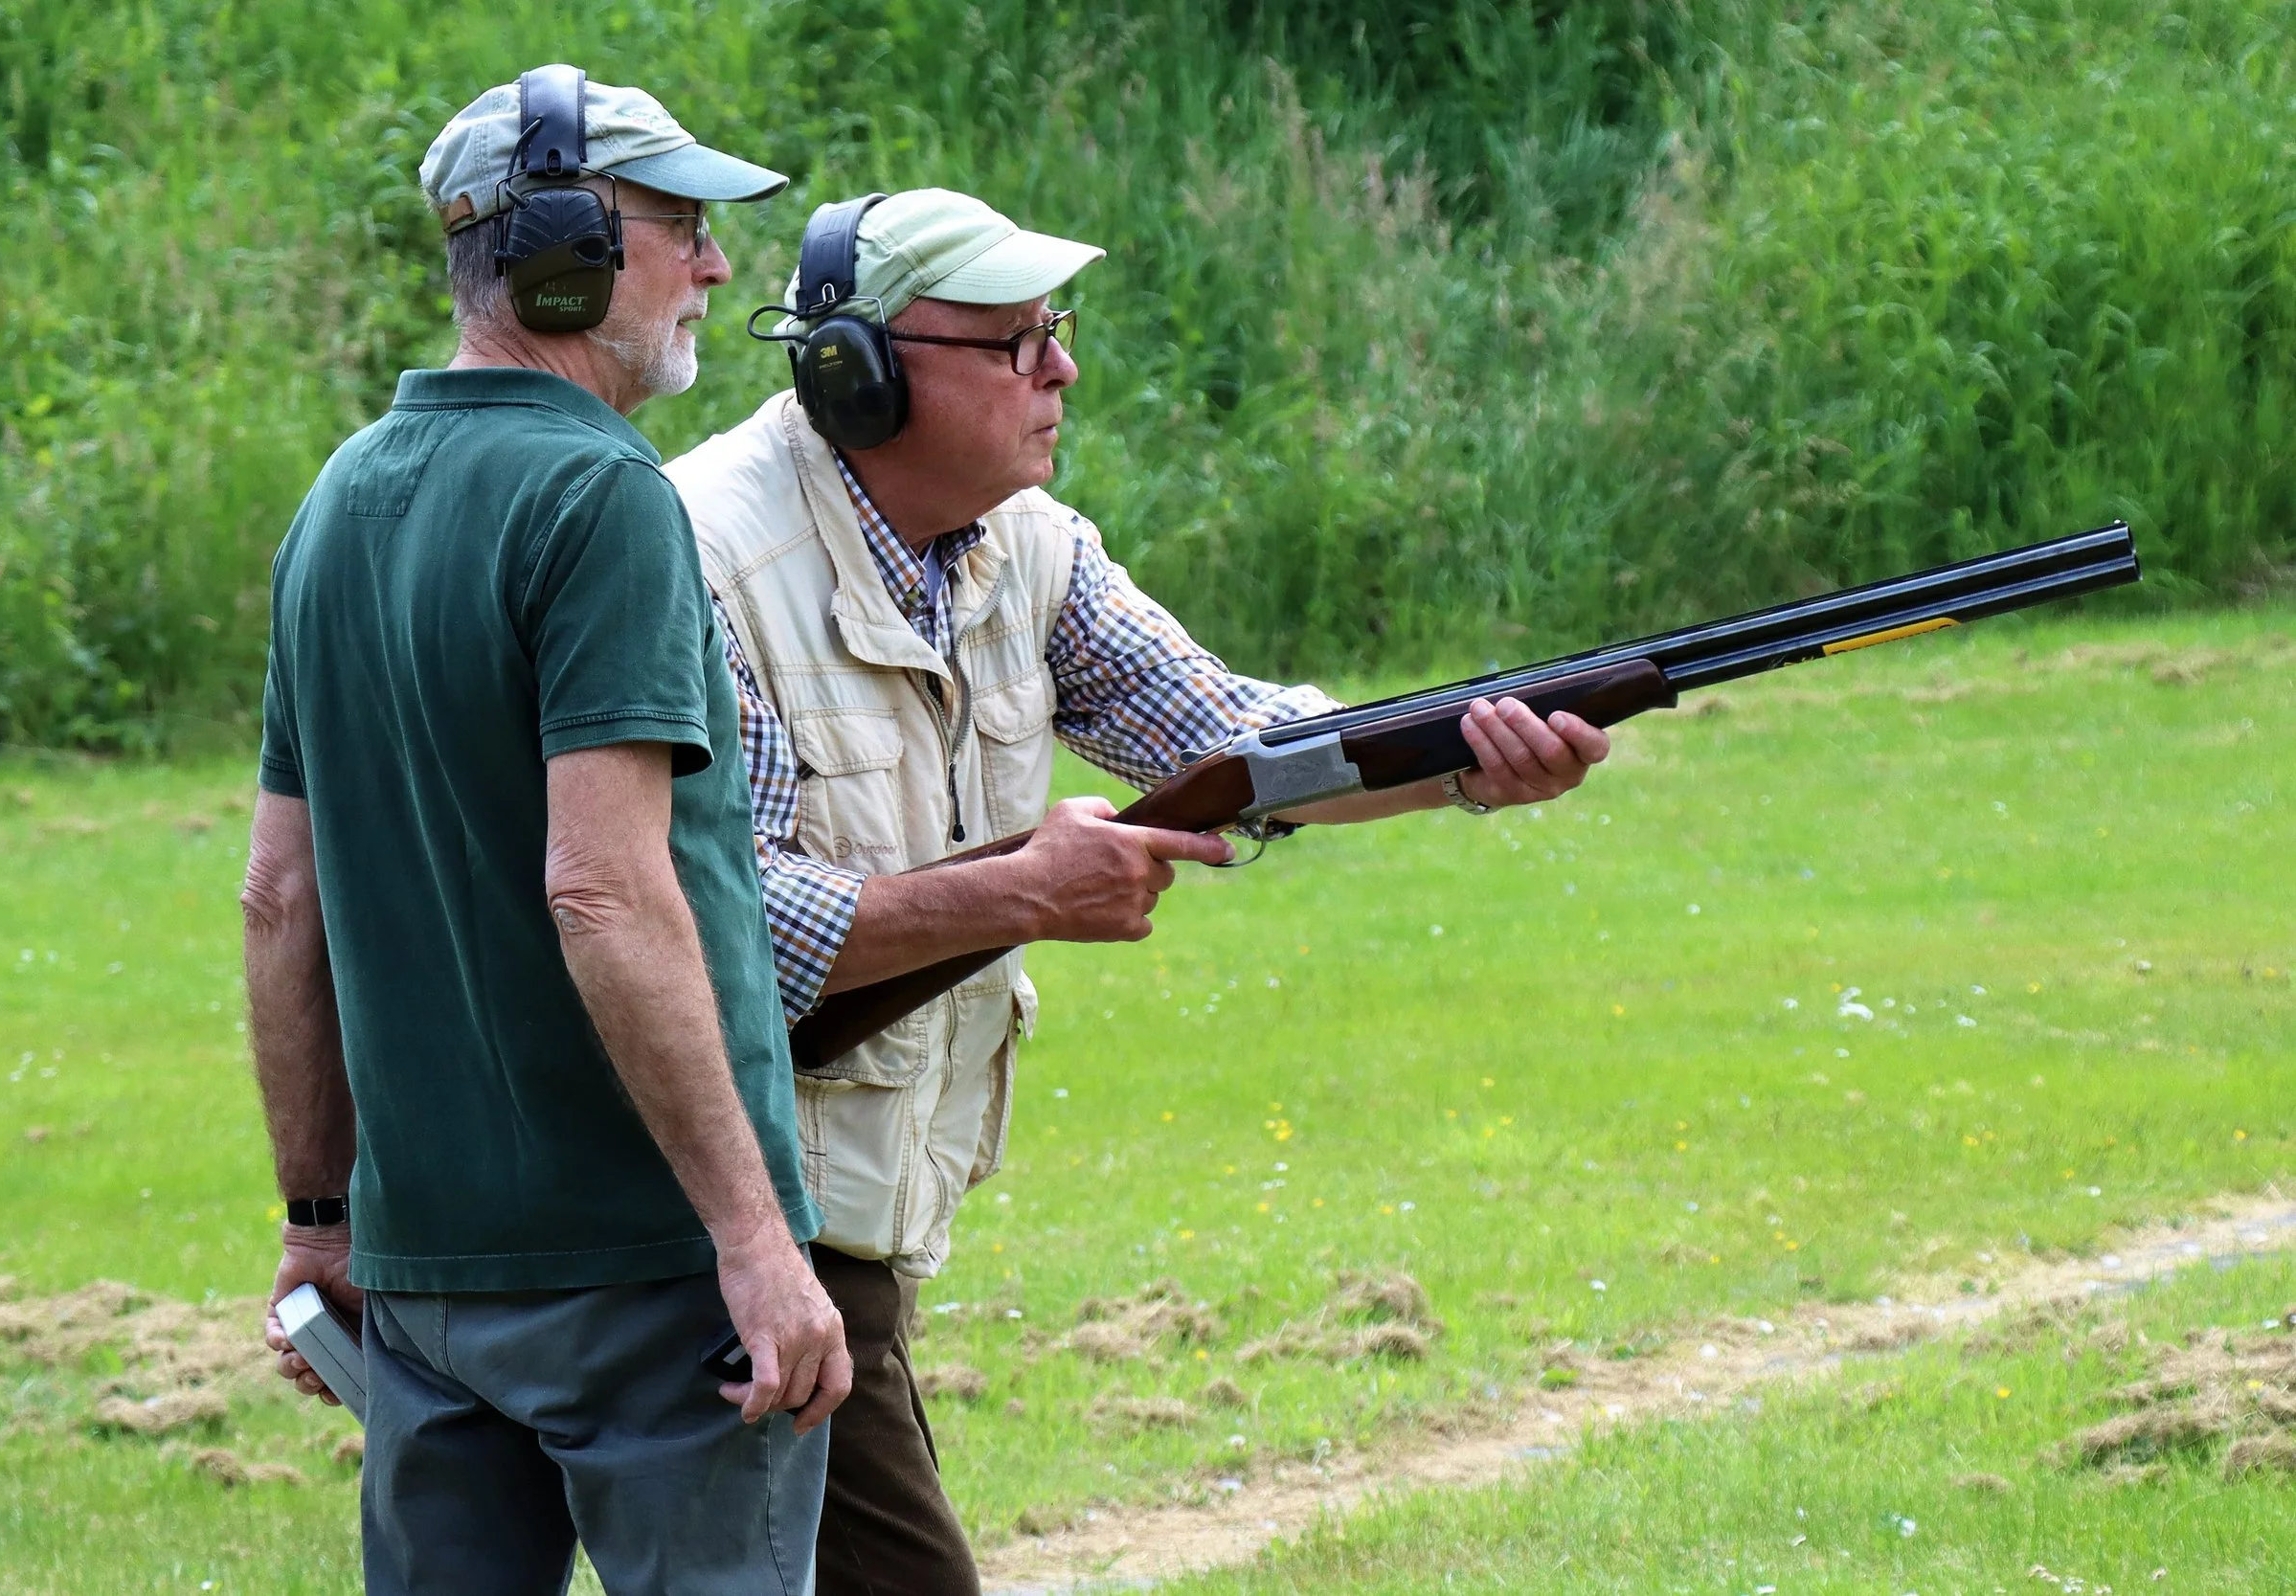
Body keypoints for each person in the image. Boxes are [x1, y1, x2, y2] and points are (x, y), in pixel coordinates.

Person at [661, 188, 1611, 1594]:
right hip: (725, 1206)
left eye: (1059, 332)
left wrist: (1465, 763)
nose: (1064, 370)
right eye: (1018, 342)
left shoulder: (1022, 543)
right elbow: (715, 929)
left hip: (845, 1206)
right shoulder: (700, 555)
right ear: (857, 372)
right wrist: (1022, 895)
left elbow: (1229, 741)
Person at [243, 66, 847, 1595]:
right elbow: (602, 886)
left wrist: (320, 1218)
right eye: (679, 227)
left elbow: (277, 897)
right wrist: (758, 1238)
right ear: (565, 247)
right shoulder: (602, 496)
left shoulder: (337, 502)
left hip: (426, 1271)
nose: (715, 266)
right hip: (649, 1273)